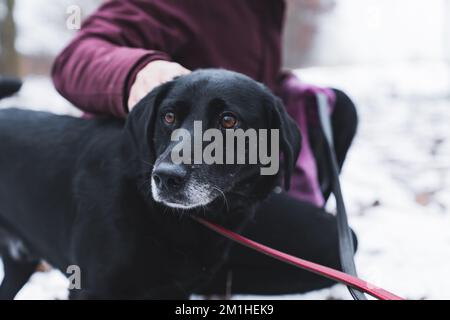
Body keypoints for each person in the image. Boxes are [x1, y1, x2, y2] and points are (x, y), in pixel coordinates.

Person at [52, 0, 358, 296]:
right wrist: (139, 73)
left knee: (339, 110)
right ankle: (172, 278)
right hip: (136, 195)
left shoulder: (266, 7)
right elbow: (75, 58)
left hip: (218, 180)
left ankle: (195, 272)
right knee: (329, 248)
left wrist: (279, 88)